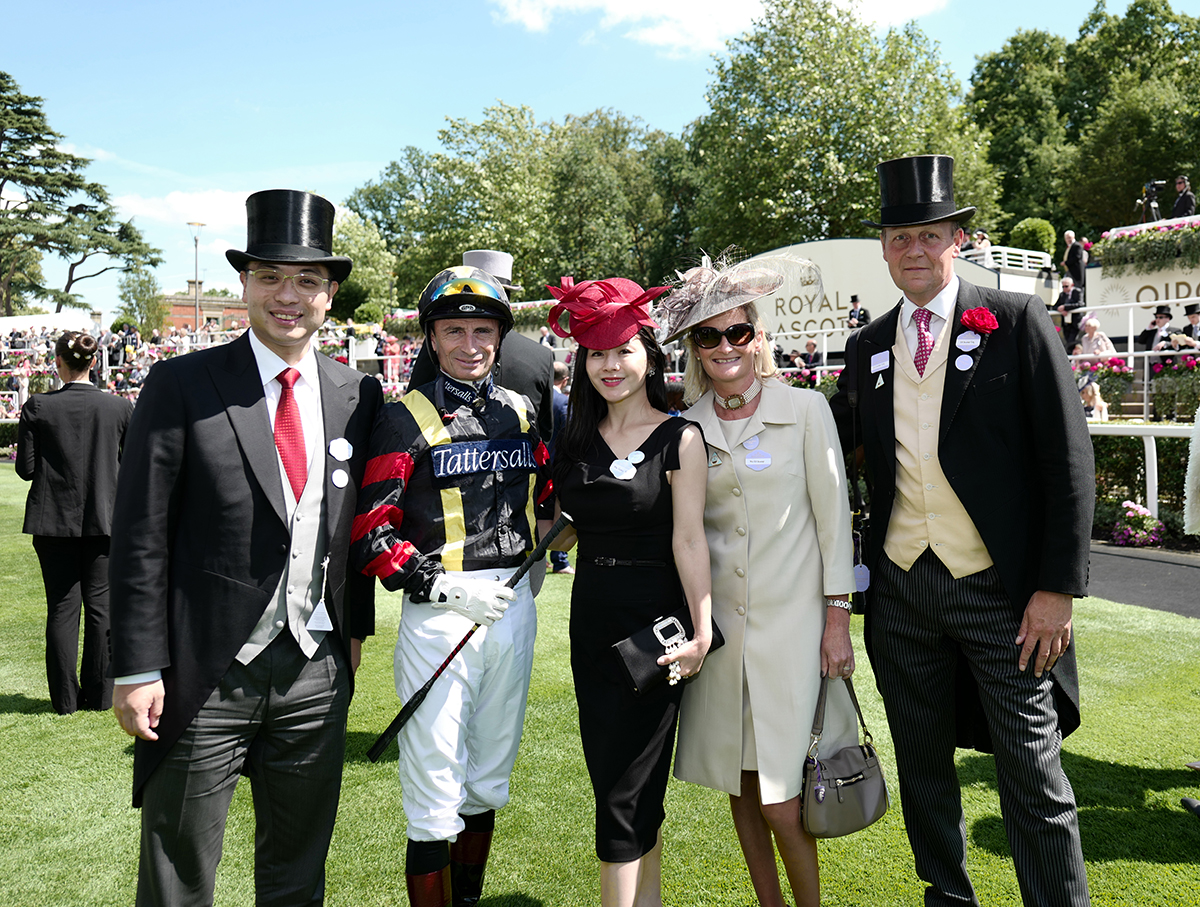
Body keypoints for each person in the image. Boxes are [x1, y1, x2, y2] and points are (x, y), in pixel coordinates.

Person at [830, 155, 1094, 906]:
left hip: (1002, 595)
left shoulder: (1016, 321)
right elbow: (838, 443)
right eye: (898, 236)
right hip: (903, 590)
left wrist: (1054, 590)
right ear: (884, 247)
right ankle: (947, 894)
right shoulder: (868, 345)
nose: (913, 248)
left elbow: (1067, 459)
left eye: (928, 234)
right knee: (922, 767)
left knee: (1032, 771)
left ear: (959, 239)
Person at [108, 189, 383, 906]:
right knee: (178, 878)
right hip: (202, 675)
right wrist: (137, 665)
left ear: (330, 295)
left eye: (307, 281)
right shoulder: (180, 384)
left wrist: (355, 634)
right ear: (244, 284)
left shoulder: (359, 393)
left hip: (313, 677)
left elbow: (358, 528)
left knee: (297, 877)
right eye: (270, 276)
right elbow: (139, 537)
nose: (287, 295)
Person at [658, 255, 858, 907]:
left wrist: (837, 621)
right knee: (740, 787)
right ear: (694, 348)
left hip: (794, 637)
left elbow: (835, 524)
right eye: (709, 336)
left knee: (781, 799)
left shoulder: (805, 410)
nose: (725, 347)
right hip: (721, 640)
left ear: (758, 335)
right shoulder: (687, 427)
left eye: (737, 332)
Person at [353, 265, 552, 907]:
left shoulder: (522, 412)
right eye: (454, 330)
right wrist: (443, 588)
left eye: (483, 330)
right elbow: (370, 536)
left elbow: (544, 496)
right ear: (432, 338)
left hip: (514, 608)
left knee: (490, 774)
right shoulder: (400, 418)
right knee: (435, 780)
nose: (470, 344)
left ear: (500, 335)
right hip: (442, 612)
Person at [542, 275, 712, 907]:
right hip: (590, 627)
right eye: (596, 353)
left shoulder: (680, 437)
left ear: (650, 355)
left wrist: (700, 631)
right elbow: (563, 535)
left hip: (654, 633)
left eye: (623, 351)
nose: (610, 366)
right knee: (626, 787)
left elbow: (690, 540)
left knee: (622, 793)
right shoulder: (575, 440)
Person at [16, 331, 133, 715]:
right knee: (101, 608)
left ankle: (65, 700)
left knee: (62, 609)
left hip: (53, 522)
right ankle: (99, 696)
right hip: (106, 520)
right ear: (94, 363)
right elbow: (132, 467)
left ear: (59, 363)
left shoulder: (37, 406)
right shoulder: (119, 407)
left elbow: (26, 469)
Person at [406, 250, 555, 443]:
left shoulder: (440, 346)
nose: (470, 348)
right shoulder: (541, 355)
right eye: (455, 331)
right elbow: (546, 434)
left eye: (483, 330)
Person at [548, 359, 574, 575]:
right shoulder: (563, 402)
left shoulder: (532, 397)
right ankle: (560, 561)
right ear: (565, 380)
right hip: (557, 465)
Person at [1054, 276, 1085, 348]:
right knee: (1068, 341)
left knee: (1071, 341)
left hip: (1075, 322)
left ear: (1072, 285)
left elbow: (1080, 303)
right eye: (1063, 286)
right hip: (1066, 323)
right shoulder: (1062, 294)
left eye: (1066, 286)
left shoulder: (1077, 292)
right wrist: (1061, 310)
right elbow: (1055, 306)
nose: (1064, 288)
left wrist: (1065, 307)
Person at [1062, 230, 1087, 295]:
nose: (1068, 239)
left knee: (1077, 288)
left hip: (1076, 272)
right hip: (1069, 271)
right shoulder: (1069, 246)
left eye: (1069, 237)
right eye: (1067, 238)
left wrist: (1066, 263)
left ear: (1073, 237)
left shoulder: (1077, 245)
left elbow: (1077, 257)